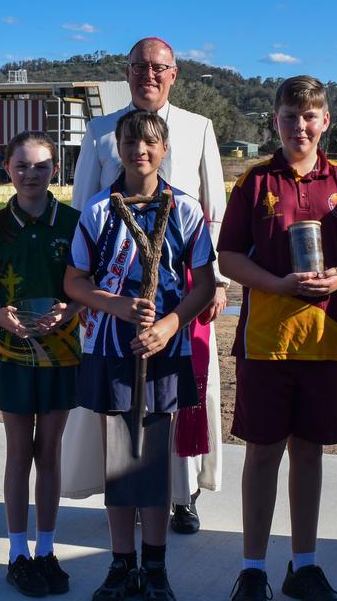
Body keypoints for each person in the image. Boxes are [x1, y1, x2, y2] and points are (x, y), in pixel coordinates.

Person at [219, 75, 337, 601]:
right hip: (266, 339)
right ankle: (252, 569)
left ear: (325, 121)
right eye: (290, 116)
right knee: (262, 453)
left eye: (310, 116)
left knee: (309, 451)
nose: (300, 126)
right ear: (276, 121)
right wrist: (277, 285)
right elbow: (229, 257)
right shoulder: (254, 181)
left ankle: (303, 565)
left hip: (324, 339)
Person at [67, 36, 227, 534]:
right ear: (128, 71)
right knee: (117, 401)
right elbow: (82, 206)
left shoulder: (199, 127)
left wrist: (215, 281)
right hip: (114, 298)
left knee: (184, 392)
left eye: (158, 67)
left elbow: (212, 206)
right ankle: (121, 492)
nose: (148, 75)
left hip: (184, 291)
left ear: (174, 73)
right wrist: (96, 295)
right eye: (139, 66)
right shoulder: (98, 130)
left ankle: (182, 494)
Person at [65, 109, 216, 601]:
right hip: (112, 345)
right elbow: (74, 282)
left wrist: (171, 324)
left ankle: (154, 566)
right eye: (131, 142)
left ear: (164, 150)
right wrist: (116, 305)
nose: (140, 151)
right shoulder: (97, 212)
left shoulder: (186, 211)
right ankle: (120, 563)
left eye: (150, 143)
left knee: (152, 461)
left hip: (164, 350)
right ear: (119, 149)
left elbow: (204, 284)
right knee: (118, 460)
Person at [0, 131, 81, 597]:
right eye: (22, 166)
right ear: (8, 170)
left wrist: (70, 310)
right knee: (20, 452)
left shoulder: (76, 223)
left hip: (63, 353)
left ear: (54, 169)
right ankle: (17, 552)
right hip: (11, 353)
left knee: (50, 451)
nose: (31, 174)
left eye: (40, 166)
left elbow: (85, 285)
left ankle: (46, 549)